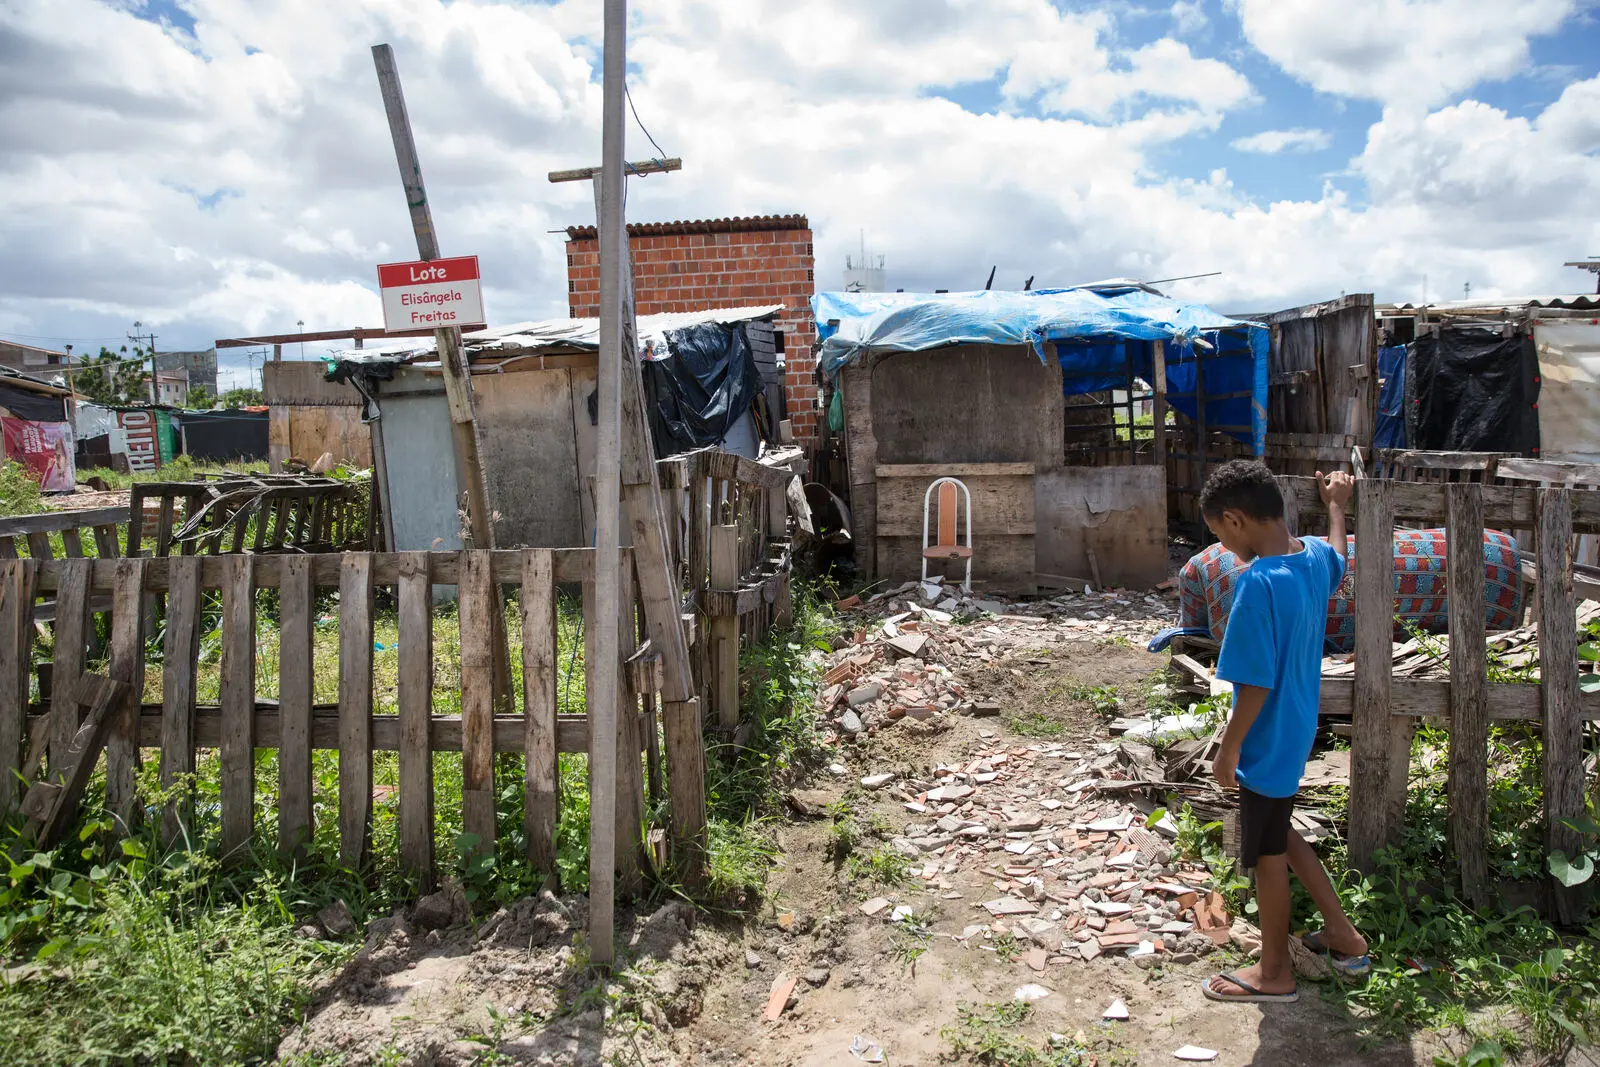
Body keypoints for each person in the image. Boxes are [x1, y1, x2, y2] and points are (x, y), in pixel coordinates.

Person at [1198, 459, 1370, 1004]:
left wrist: (1229, 750)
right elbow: (1340, 555)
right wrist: (1337, 507)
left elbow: (1255, 686)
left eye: (1221, 535)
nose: (1224, 547)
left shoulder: (1258, 585)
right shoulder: (1313, 560)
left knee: (1267, 854)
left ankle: (1275, 975)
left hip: (1267, 739)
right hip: (1300, 727)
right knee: (1280, 833)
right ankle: (1343, 935)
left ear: (1235, 519)